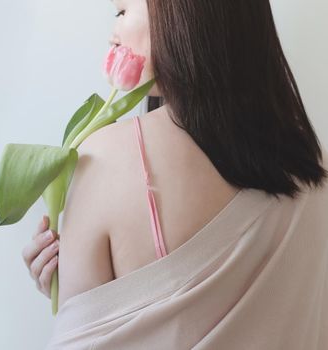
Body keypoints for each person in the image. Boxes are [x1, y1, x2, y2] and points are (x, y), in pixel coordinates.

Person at [22, 0, 328, 348]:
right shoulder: (314, 168)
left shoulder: (103, 160)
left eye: (122, 11)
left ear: (181, 14)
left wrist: (73, 300)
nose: (112, 35)